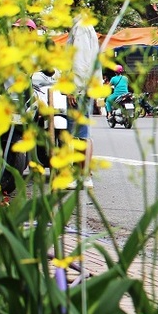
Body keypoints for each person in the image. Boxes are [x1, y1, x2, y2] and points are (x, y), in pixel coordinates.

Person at [66, 12, 101, 189]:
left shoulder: (80, 27)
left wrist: (74, 88)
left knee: (80, 133)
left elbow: (79, 62)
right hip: (87, 86)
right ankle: (84, 174)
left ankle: (84, 176)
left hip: (80, 88)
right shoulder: (86, 26)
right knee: (83, 133)